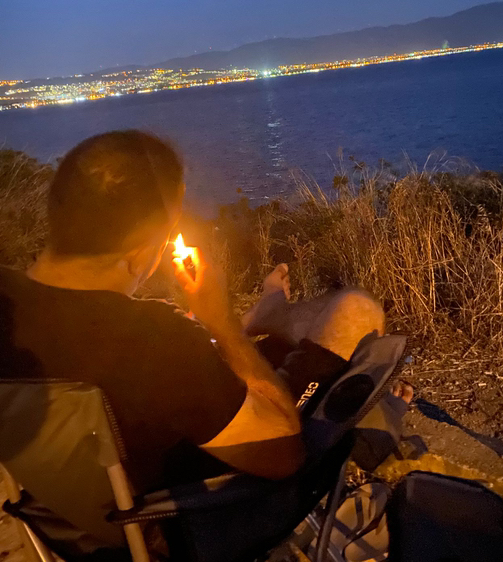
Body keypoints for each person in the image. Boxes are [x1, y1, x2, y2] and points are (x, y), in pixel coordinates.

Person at [0, 130, 389, 493]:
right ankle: (261, 318)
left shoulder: (7, 301)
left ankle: (263, 316)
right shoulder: (155, 340)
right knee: (354, 310)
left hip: (65, 511)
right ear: (138, 255)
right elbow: (284, 455)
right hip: (196, 503)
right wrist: (220, 321)